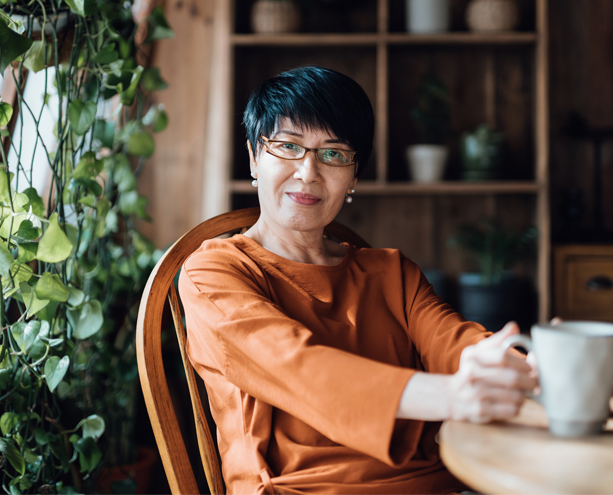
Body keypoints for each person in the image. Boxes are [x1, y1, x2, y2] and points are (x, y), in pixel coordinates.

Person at [178, 66, 537, 494]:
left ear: (353, 176)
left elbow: (453, 341)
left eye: (333, 154)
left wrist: (505, 366)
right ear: (255, 157)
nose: (308, 172)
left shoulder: (390, 272)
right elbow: (301, 369)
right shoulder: (215, 273)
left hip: (433, 484)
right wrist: (455, 395)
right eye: (289, 146)